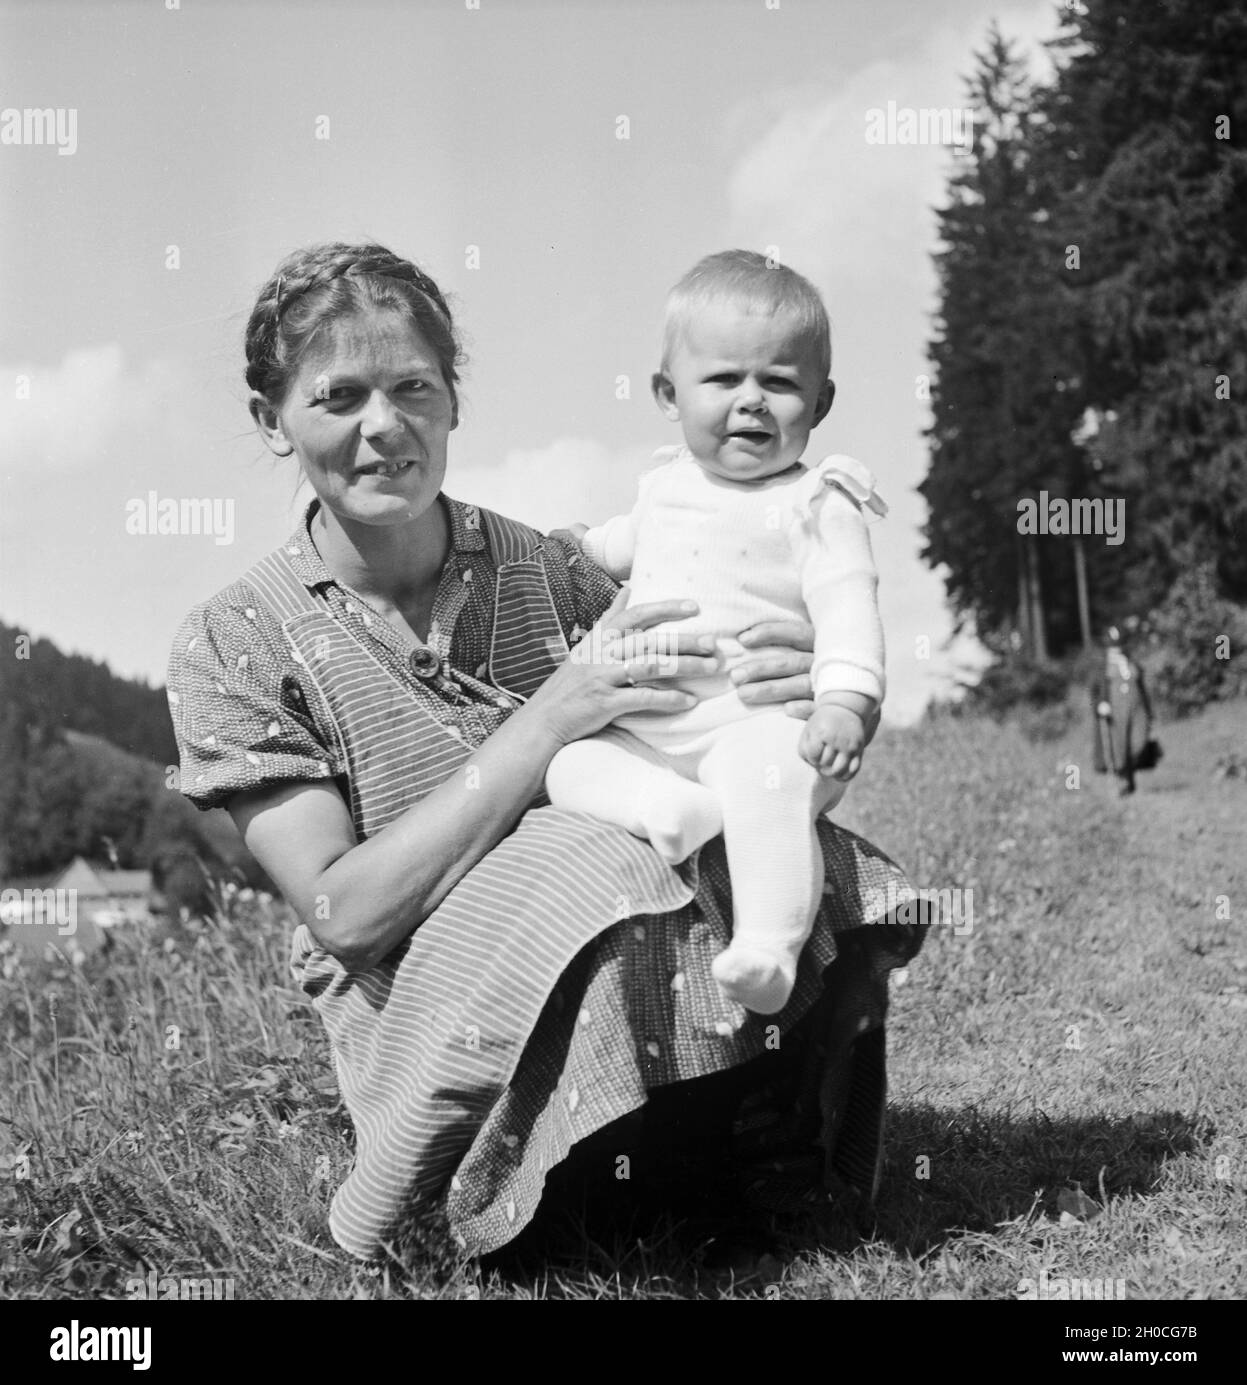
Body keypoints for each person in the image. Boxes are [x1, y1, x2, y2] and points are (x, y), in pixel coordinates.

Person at [166, 241, 924, 1263]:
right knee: (600, 854)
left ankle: (742, 1135)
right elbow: (346, 915)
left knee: (774, 842)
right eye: (338, 396)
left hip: (617, 951)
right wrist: (553, 714)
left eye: (412, 388)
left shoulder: (551, 570)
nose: (383, 426)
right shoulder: (236, 640)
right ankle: (523, 1177)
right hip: (426, 996)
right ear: (274, 422)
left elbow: (727, 704)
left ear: (452, 402)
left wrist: (804, 681)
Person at [546, 251, 885, 1017]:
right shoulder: (662, 483)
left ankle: (768, 945)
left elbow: (848, 613)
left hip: (756, 724)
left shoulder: (819, 503)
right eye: (724, 380)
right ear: (668, 393)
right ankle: (666, 810)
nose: (751, 403)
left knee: (768, 784)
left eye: (779, 383)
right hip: (652, 733)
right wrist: (564, 549)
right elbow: (611, 546)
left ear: (821, 401)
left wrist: (844, 704)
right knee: (569, 764)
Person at [1090, 623, 1154, 795]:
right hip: (1116, 711)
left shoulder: (1131, 663)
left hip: (1137, 709)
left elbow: (1141, 686)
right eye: (1112, 647)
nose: (1115, 650)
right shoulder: (1102, 669)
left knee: (1138, 743)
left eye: (1118, 646)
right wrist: (1100, 704)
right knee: (1119, 747)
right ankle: (1124, 780)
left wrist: (1149, 711)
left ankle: (1129, 772)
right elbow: (1096, 692)